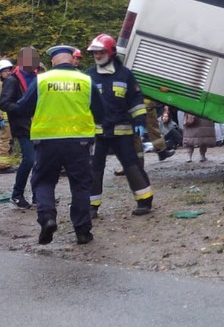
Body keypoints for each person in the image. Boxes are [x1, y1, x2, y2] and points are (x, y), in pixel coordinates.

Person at [14, 45, 94, 245]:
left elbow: (23, 107)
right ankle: (82, 231)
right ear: (71, 59)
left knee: (44, 181)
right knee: (81, 185)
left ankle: (48, 218)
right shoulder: (85, 80)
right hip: (79, 141)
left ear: (52, 61)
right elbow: (100, 110)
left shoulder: (42, 80)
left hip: (47, 141)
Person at [85, 33, 154, 217]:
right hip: (97, 132)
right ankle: (91, 206)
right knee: (94, 169)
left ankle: (144, 201)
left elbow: (136, 99)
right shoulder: (88, 76)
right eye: (94, 53)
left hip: (122, 130)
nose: (97, 56)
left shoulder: (125, 74)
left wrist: (139, 121)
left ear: (111, 52)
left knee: (131, 166)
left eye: (100, 52)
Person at [0, 46, 41, 209]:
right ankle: (17, 195)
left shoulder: (38, 78)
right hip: (23, 126)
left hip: (39, 125)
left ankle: (38, 195)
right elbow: (4, 104)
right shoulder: (12, 80)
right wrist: (21, 108)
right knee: (30, 159)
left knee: (40, 162)